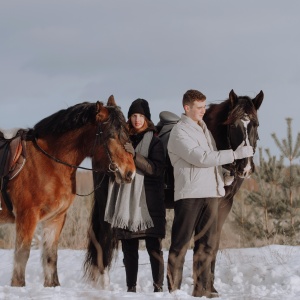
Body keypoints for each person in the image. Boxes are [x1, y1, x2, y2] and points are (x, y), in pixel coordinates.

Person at [166, 89, 254, 297]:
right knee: (180, 243)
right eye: (198, 107)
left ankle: (203, 288)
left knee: (206, 243)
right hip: (190, 194)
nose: (203, 111)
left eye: (204, 107)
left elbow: (211, 163)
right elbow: (201, 158)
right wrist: (234, 154)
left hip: (211, 193)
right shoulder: (180, 132)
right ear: (186, 108)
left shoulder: (204, 129)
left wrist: (226, 175)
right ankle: (173, 290)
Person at [104, 98, 166, 293]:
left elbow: (156, 169)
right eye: (134, 115)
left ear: (146, 118)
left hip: (148, 203)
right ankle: (131, 289)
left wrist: (135, 157)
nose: (137, 119)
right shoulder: (122, 140)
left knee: (153, 249)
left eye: (140, 116)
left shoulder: (155, 141)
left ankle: (158, 289)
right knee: (129, 251)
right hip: (126, 205)